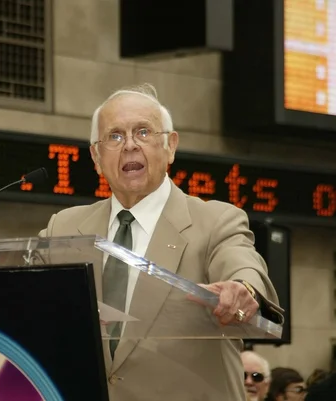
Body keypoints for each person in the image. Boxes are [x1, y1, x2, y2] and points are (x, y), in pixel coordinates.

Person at [39, 84, 284, 400]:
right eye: (114, 136)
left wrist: (245, 289)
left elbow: (243, 264)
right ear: (96, 157)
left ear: (170, 146)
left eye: (143, 132)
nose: (129, 145)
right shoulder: (64, 226)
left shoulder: (216, 221)